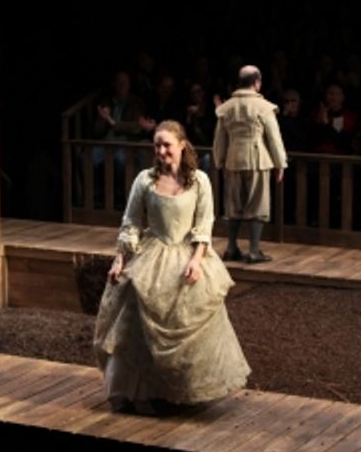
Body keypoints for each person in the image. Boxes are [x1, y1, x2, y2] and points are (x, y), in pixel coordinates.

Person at [94, 120, 250, 413]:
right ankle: (139, 394)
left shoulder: (199, 180)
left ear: (182, 145)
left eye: (167, 144)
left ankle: (173, 393)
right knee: (136, 328)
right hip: (150, 255)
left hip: (184, 254)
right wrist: (119, 259)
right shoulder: (145, 180)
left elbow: (204, 224)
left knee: (184, 323)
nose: (161, 150)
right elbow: (131, 223)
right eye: (157, 145)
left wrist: (196, 259)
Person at [213, 65, 288, 264]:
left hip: (232, 159)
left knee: (233, 205)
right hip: (257, 159)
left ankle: (231, 247)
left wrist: (219, 161)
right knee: (257, 204)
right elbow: (274, 137)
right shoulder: (263, 107)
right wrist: (280, 163)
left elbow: (219, 139)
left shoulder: (227, 106)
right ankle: (254, 250)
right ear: (256, 82)